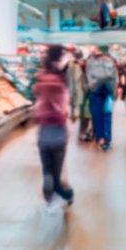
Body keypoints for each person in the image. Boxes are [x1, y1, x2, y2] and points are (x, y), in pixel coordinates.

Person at [33, 45, 75, 207]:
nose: (66, 60)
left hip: (43, 130)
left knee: (47, 169)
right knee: (56, 171)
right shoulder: (58, 81)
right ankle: (67, 194)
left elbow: (38, 105)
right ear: (58, 59)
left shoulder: (41, 78)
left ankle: (48, 196)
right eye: (64, 57)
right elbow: (61, 108)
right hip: (57, 129)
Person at [85, 46, 118, 150]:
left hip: (96, 91)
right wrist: (114, 90)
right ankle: (106, 139)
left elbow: (89, 76)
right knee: (107, 115)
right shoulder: (110, 61)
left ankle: (101, 139)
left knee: (97, 115)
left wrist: (92, 86)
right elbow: (115, 76)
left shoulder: (91, 61)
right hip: (108, 90)